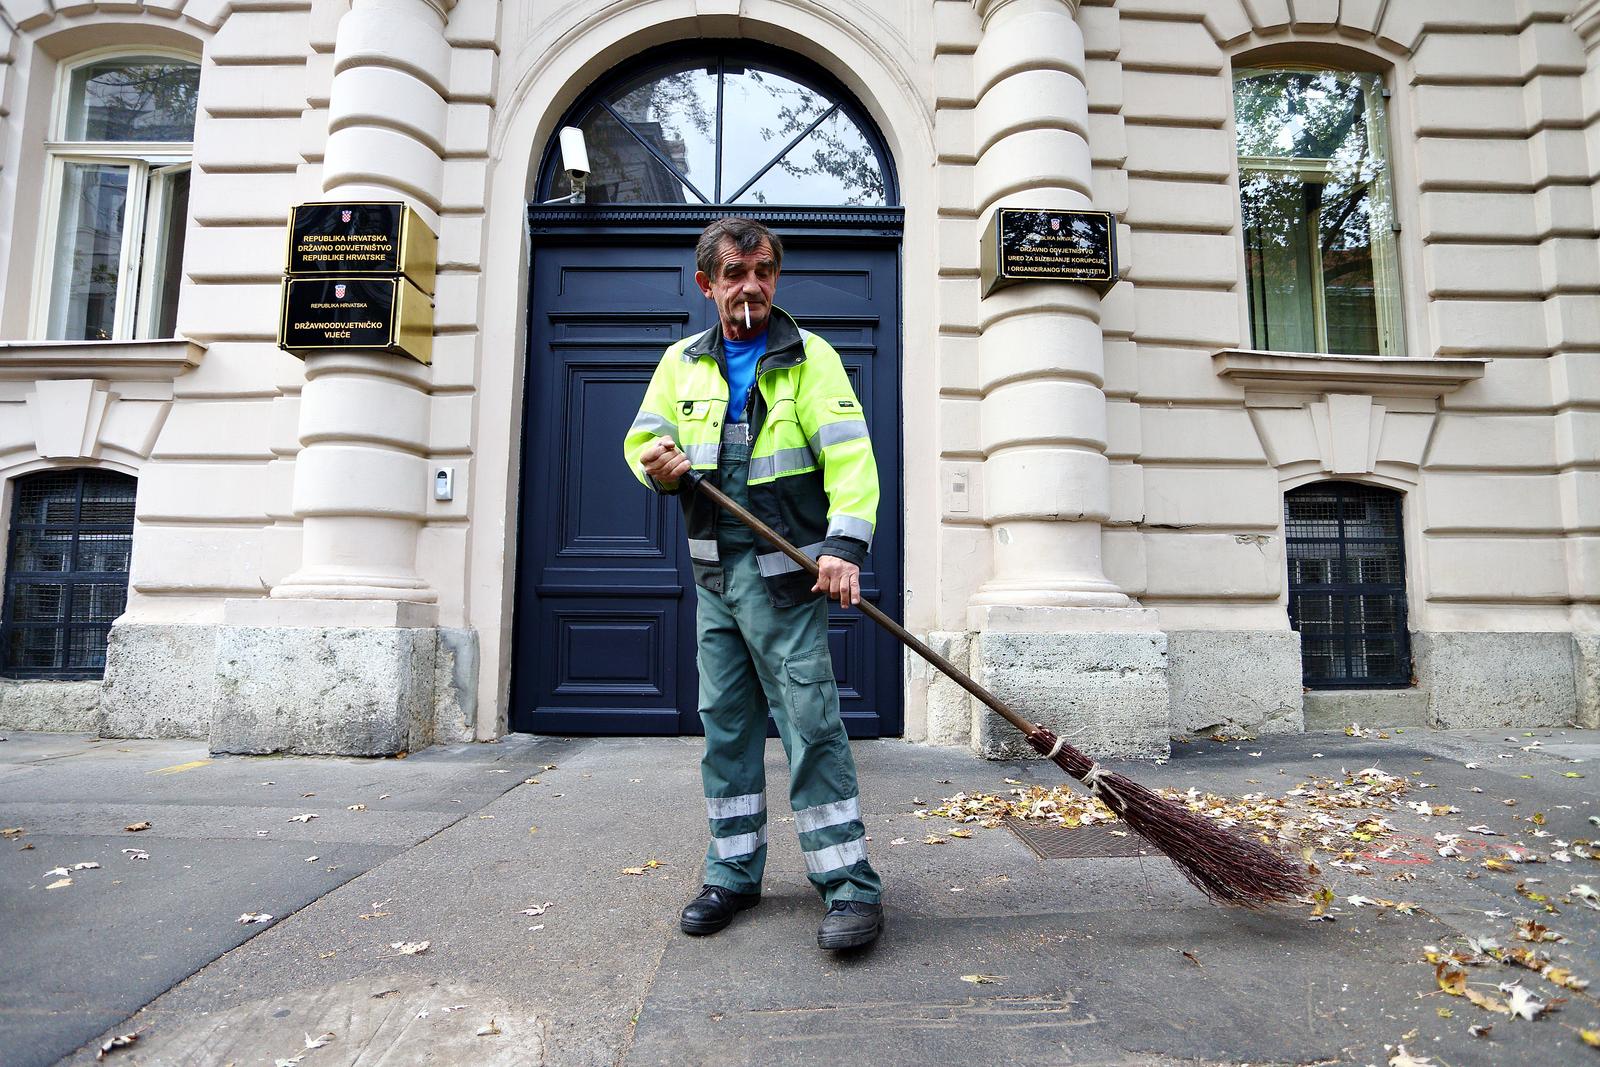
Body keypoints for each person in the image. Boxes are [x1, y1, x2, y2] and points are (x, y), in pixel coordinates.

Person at [622, 216, 884, 951]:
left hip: (787, 577)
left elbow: (852, 462)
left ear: (775, 276)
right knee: (727, 728)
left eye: (763, 271)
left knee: (811, 724)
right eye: (735, 275)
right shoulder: (682, 362)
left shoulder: (812, 359)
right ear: (708, 284)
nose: (751, 287)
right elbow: (640, 437)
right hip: (714, 574)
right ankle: (732, 873)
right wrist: (658, 460)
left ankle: (850, 884)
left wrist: (841, 547)